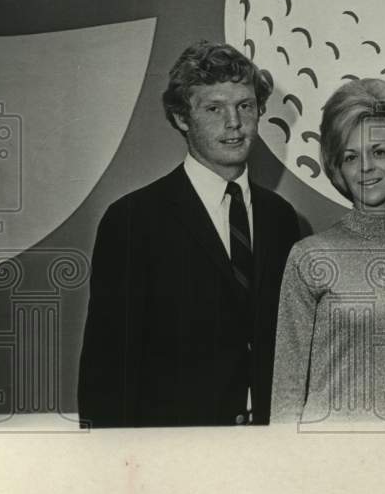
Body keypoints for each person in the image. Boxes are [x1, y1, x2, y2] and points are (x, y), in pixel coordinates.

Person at [77, 41, 300, 427]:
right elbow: (106, 371)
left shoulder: (280, 218)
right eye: (214, 108)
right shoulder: (131, 220)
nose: (234, 122)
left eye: (245, 106)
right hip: (174, 456)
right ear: (182, 118)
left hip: (268, 450)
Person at [271, 79, 385, 426]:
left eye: (380, 152)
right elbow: (287, 388)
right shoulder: (309, 256)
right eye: (351, 156)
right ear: (337, 167)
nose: (366, 167)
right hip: (329, 455)